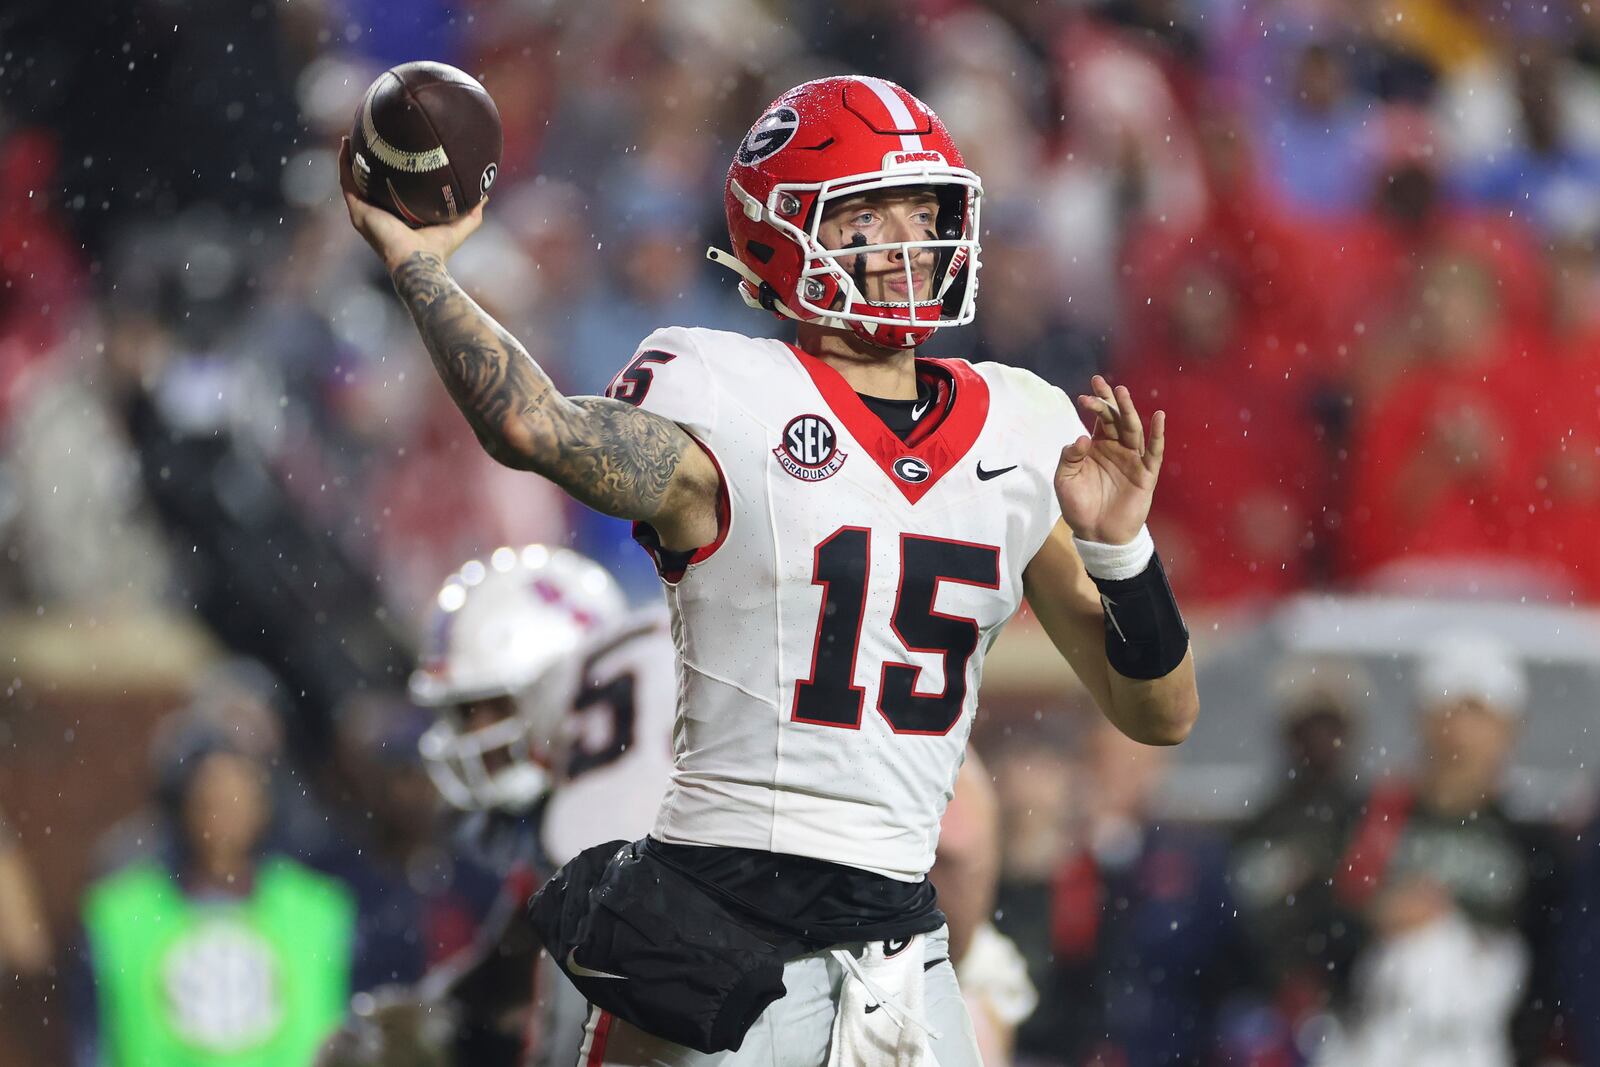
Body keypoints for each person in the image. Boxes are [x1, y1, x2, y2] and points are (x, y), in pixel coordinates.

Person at [340, 74, 1199, 1065]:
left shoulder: (1021, 423)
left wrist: (1122, 550)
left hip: (898, 948)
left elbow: (1158, 712)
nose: (911, 239)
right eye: (871, 213)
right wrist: (419, 267)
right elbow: (535, 426)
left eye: (923, 208)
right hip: (721, 924)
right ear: (783, 236)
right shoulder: (724, 390)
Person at [1322, 632, 1565, 1067]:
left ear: (1510, 729)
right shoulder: (1374, 817)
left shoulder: (1531, 839)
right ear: (1422, 718)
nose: (1460, 732)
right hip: (1373, 1040)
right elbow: (1318, 931)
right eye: (1449, 711)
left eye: (1478, 714)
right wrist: (1374, 919)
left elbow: (1552, 959)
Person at [72, 711, 358, 1067]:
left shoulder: (319, 910)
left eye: (238, 798)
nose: (223, 815)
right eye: (209, 799)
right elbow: (92, 1045)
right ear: (181, 806)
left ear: (264, 806)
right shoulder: (121, 914)